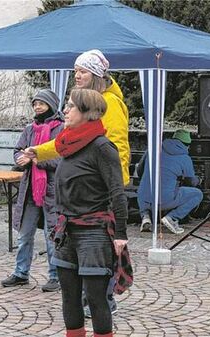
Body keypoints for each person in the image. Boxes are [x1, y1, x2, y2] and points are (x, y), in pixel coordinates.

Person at [26, 48, 129, 316]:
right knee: (77, 261)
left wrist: (113, 183)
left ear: (95, 74)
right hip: (78, 197)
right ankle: (87, 301)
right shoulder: (80, 106)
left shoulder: (109, 105)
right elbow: (65, 141)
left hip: (100, 191)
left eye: (82, 71)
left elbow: (115, 148)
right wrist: (39, 151)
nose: (77, 75)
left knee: (96, 254)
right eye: (75, 71)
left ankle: (102, 302)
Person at [0, 89, 63, 292]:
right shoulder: (29, 129)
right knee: (24, 234)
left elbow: (62, 157)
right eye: (35, 103)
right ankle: (21, 272)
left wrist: (36, 159)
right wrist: (21, 159)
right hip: (29, 189)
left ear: (51, 105)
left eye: (41, 103)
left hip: (52, 190)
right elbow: (18, 150)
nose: (37, 107)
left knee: (51, 234)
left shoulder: (61, 129)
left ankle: (55, 275)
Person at [135, 129, 203, 234]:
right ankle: (172, 218)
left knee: (145, 190)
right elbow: (192, 183)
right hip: (163, 201)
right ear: (187, 145)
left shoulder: (153, 148)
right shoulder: (185, 158)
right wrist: (199, 179)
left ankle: (145, 217)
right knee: (197, 194)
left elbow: (139, 170)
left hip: (143, 199)